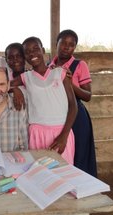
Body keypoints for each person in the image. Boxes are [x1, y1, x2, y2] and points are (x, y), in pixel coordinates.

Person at [11, 36, 77, 164]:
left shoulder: (60, 73)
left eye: (36, 49)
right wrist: (14, 89)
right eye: (27, 52)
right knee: (41, 173)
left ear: (43, 50)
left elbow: (73, 106)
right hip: (37, 133)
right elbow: (3, 85)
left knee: (64, 171)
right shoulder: (26, 77)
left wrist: (64, 135)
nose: (32, 53)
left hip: (61, 131)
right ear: (25, 56)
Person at [49, 29, 97, 177]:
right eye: (63, 43)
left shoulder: (79, 65)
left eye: (71, 44)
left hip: (76, 117)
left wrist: (70, 84)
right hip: (56, 116)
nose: (66, 47)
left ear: (74, 48)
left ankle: (83, 187)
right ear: (56, 44)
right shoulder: (48, 66)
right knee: (60, 153)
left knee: (79, 153)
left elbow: (88, 96)